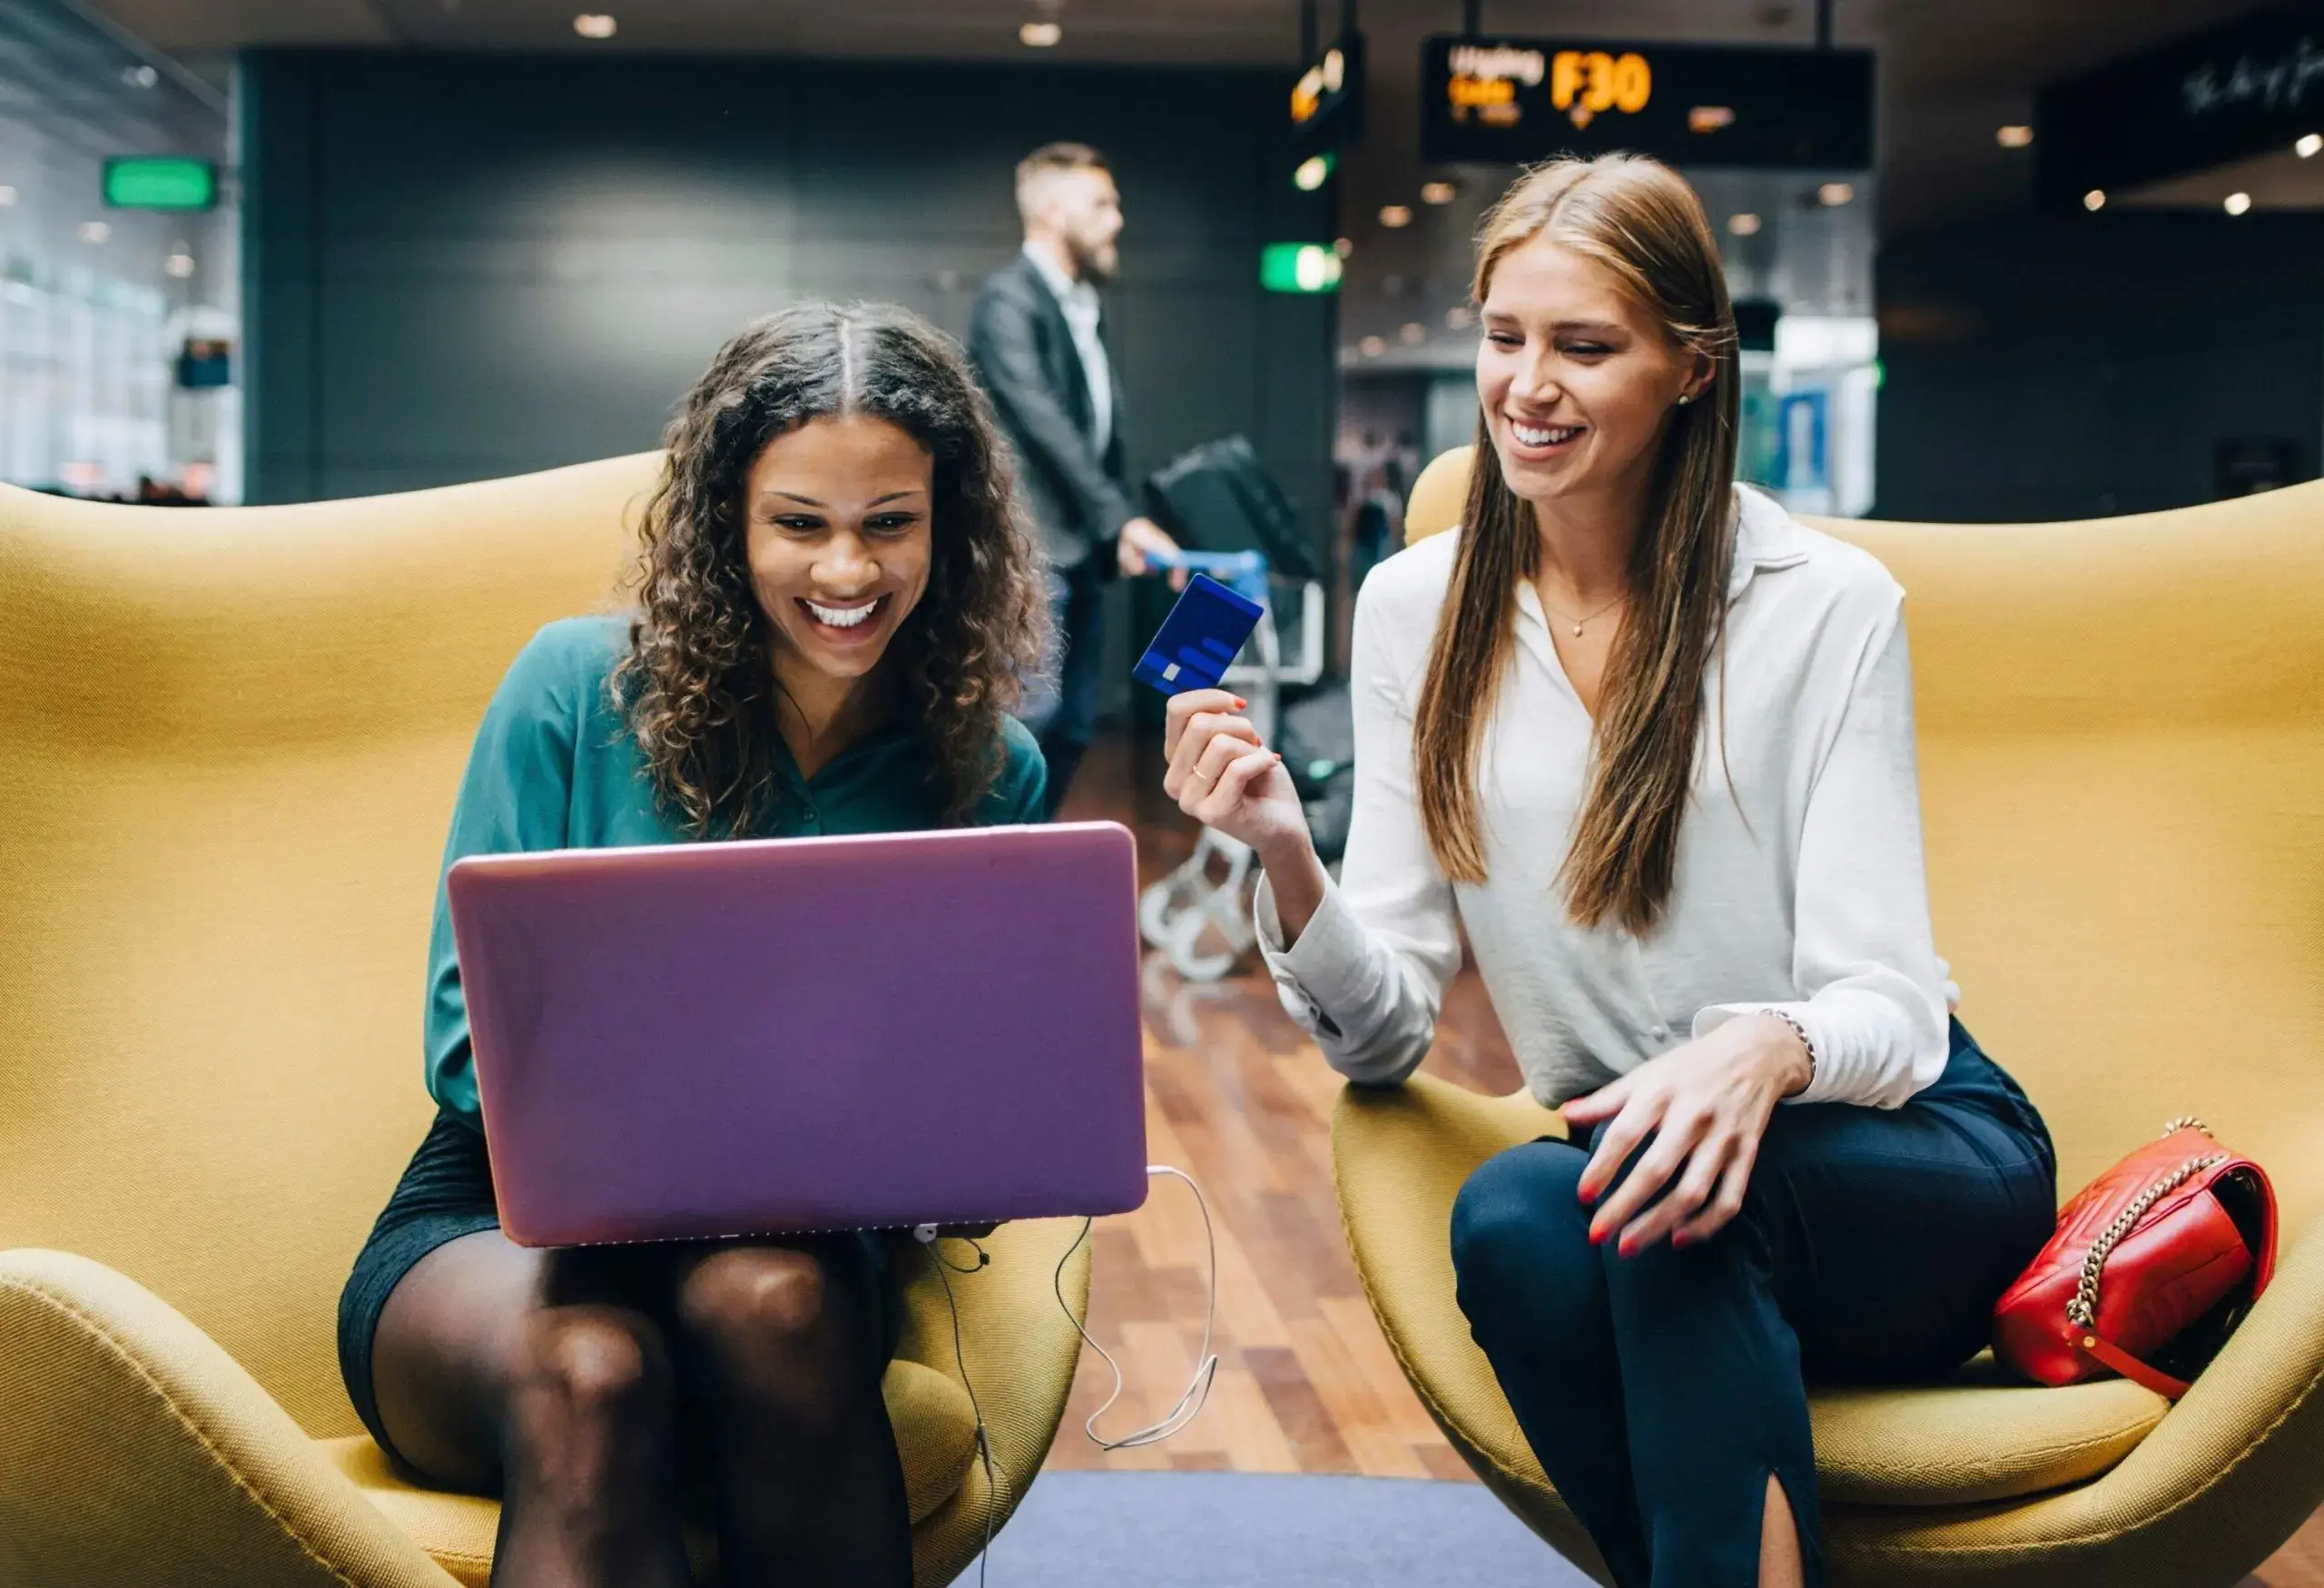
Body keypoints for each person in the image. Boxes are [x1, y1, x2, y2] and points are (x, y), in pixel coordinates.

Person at [1157, 155, 2057, 1588]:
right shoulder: (1417, 610)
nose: (1527, 385)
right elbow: (1383, 1032)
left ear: (1692, 370)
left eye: (1585, 347)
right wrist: (1281, 847)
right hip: (1644, 1181)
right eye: (1506, 336)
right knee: (1518, 1217)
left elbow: (1896, 1013)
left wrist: (1760, 1051)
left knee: (1676, 1192)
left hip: (1908, 1160)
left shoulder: (1825, 609)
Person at [337, 302, 1049, 1588]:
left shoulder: (987, 769)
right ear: (730, 524)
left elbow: (966, 1088)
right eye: (800, 524)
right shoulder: (570, 687)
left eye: (891, 523)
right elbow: (465, 1052)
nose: (848, 571)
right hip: (504, 1231)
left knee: (768, 1296)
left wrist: (966, 1148)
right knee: (592, 1368)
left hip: (794, 1250)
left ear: (951, 528)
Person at [970, 140, 1179, 814]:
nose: (1116, 219)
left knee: (1077, 722)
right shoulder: (1009, 300)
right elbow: (1045, 424)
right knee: (1031, 719)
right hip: (1033, 551)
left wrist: (1108, 528)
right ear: (1053, 210)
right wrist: (1122, 518)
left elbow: (1093, 430)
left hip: (1080, 550)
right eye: (1101, 203)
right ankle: (988, 875)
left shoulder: (1079, 304)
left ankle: (1028, 864)